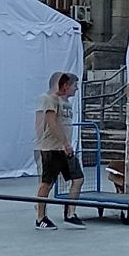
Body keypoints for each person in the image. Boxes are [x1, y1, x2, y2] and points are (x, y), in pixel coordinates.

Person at [33, 71, 83, 229]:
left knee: (78, 179)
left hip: (64, 150)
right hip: (51, 148)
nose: (76, 89)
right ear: (66, 85)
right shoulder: (50, 99)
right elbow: (52, 122)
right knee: (47, 183)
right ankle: (40, 218)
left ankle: (70, 213)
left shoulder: (66, 103)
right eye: (74, 85)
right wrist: (65, 143)